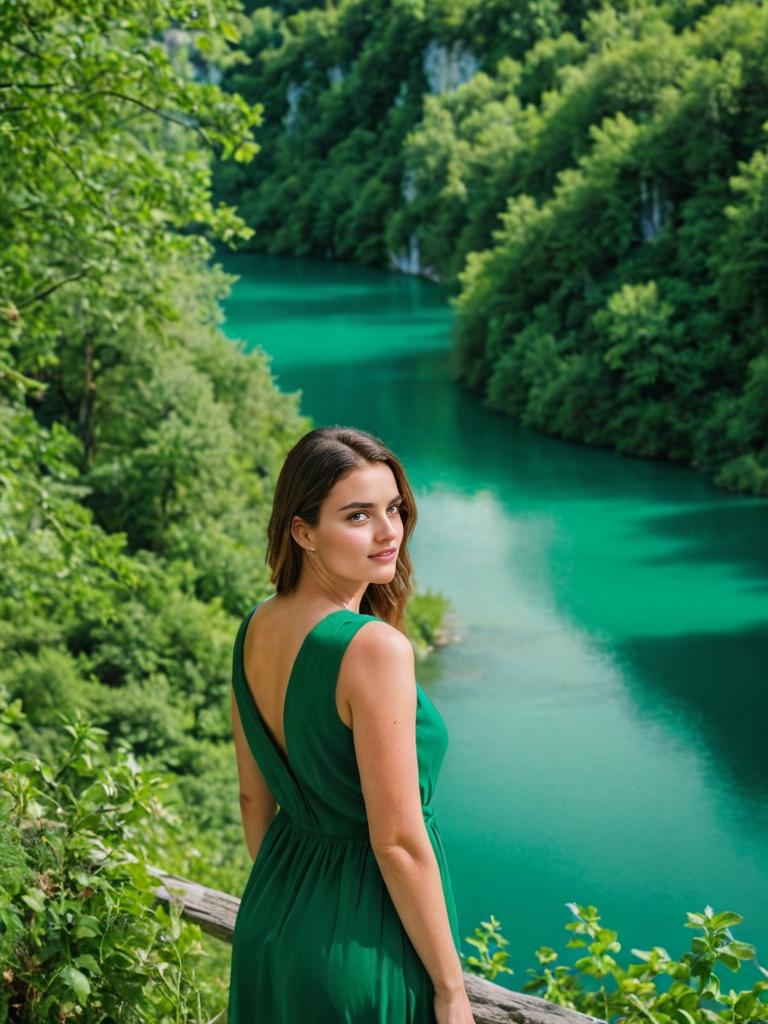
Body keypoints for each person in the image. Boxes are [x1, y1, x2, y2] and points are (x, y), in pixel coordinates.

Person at [227, 425, 474, 1023]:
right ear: (303, 531)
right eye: (358, 516)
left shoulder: (256, 626)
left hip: (272, 926)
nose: (389, 531)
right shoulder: (373, 650)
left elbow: (252, 800)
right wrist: (451, 990)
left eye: (394, 509)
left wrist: (293, 909)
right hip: (365, 946)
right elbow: (396, 842)